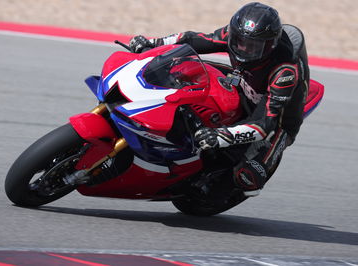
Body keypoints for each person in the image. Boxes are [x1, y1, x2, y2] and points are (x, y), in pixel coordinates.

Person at [128, 2, 310, 197]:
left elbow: (264, 124)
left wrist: (221, 136)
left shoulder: (285, 71)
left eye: (254, 47)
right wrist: (154, 43)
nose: (244, 49)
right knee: (184, 74)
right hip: (244, 84)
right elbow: (195, 39)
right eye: (240, 41)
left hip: (276, 120)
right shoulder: (237, 34)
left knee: (249, 177)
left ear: (270, 46)